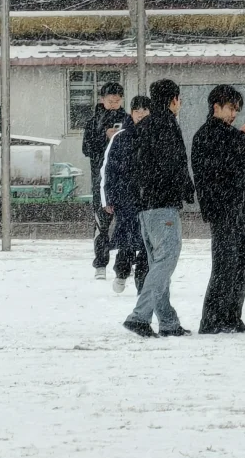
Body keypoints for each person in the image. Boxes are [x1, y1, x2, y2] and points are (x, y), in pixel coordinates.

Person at [191, 85, 245, 334]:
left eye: (237, 110)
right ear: (216, 107)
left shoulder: (231, 134)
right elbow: (215, 167)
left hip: (242, 206)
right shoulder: (206, 135)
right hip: (223, 207)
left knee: (240, 264)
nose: (234, 114)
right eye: (231, 109)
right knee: (225, 265)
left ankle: (232, 316)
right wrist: (237, 139)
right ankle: (212, 320)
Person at [123, 79, 196, 338]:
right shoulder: (167, 126)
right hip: (162, 204)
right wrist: (185, 188)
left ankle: (167, 321)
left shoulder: (143, 126)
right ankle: (140, 316)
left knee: (158, 263)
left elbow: (132, 166)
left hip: (145, 206)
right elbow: (172, 164)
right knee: (165, 261)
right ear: (174, 100)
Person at [101, 94, 151, 295]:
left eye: (144, 110)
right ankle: (121, 272)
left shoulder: (155, 135)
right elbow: (107, 170)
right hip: (126, 198)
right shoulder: (119, 138)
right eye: (137, 111)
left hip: (149, 199)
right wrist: (108, 199)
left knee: (148, 243)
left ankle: (143, 280)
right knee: (128, 240)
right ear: (131, 112)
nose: (140, 115)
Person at [83, 81, 127, 280]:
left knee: (127, 223)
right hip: (100, 181)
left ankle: (124, 265)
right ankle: (100, 263)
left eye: (117, 101)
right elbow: (87, 149)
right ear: (102, 100)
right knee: (102, 224)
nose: (114, 104)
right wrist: (104, 136)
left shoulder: (128, 119)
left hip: (125, 180)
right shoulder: (93, 122)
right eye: (110, 101)